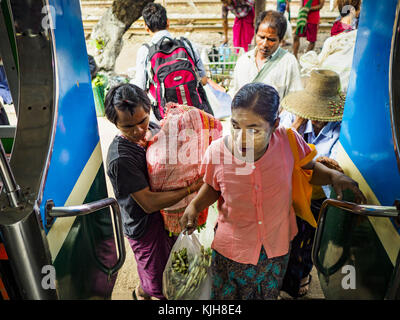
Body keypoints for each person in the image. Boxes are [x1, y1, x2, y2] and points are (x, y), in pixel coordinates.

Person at [180, 82, 366, 300]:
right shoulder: (217, 152)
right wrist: (194, 206)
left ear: (275, 124)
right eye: (235, 125)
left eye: (254, 129)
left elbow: (309, 169)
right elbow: (212, 187)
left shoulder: (289, 140)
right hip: (231, 250)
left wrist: (334, 176)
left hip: (275, 249)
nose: (241, 137)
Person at [104, 83, 203, 300]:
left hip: (166, 218)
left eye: (142, 121)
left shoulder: (155, 128)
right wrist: (191, 188)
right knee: (161, 286)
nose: (139, 130)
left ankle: (142, 290)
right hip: (144, 226)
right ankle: (143, 292)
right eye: (128, 127)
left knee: (170, 270)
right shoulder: (121, 159)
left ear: (149, 110)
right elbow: (148, 203)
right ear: (115, 123)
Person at [279, 69, 345, 297]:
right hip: (289, 191)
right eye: (313, 110)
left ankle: (304, 273)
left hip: (318, 196)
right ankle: (283, 277)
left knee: (309, 242)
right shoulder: (291, 117)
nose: (316, 118)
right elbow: (278, 145)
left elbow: (335, 164)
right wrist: (296, 125)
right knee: (286, 238)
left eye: (321, 113)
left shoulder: (340, 128)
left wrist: (318, 163)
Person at [132, 3, 212, 118]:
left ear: (146, 27)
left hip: (166, 119)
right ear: (168, 22)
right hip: (195, 115)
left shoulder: (145, 51)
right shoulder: (187, 44)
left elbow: (140, 89)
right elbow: (203, 80)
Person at [229, 10, 303, 101]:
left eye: (271, 40)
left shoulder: (289, 62)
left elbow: (294, 100)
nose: (265, 44)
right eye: (261, 37)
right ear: (255, 34)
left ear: (280, 40)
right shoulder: (243, 61)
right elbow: (234, 92)